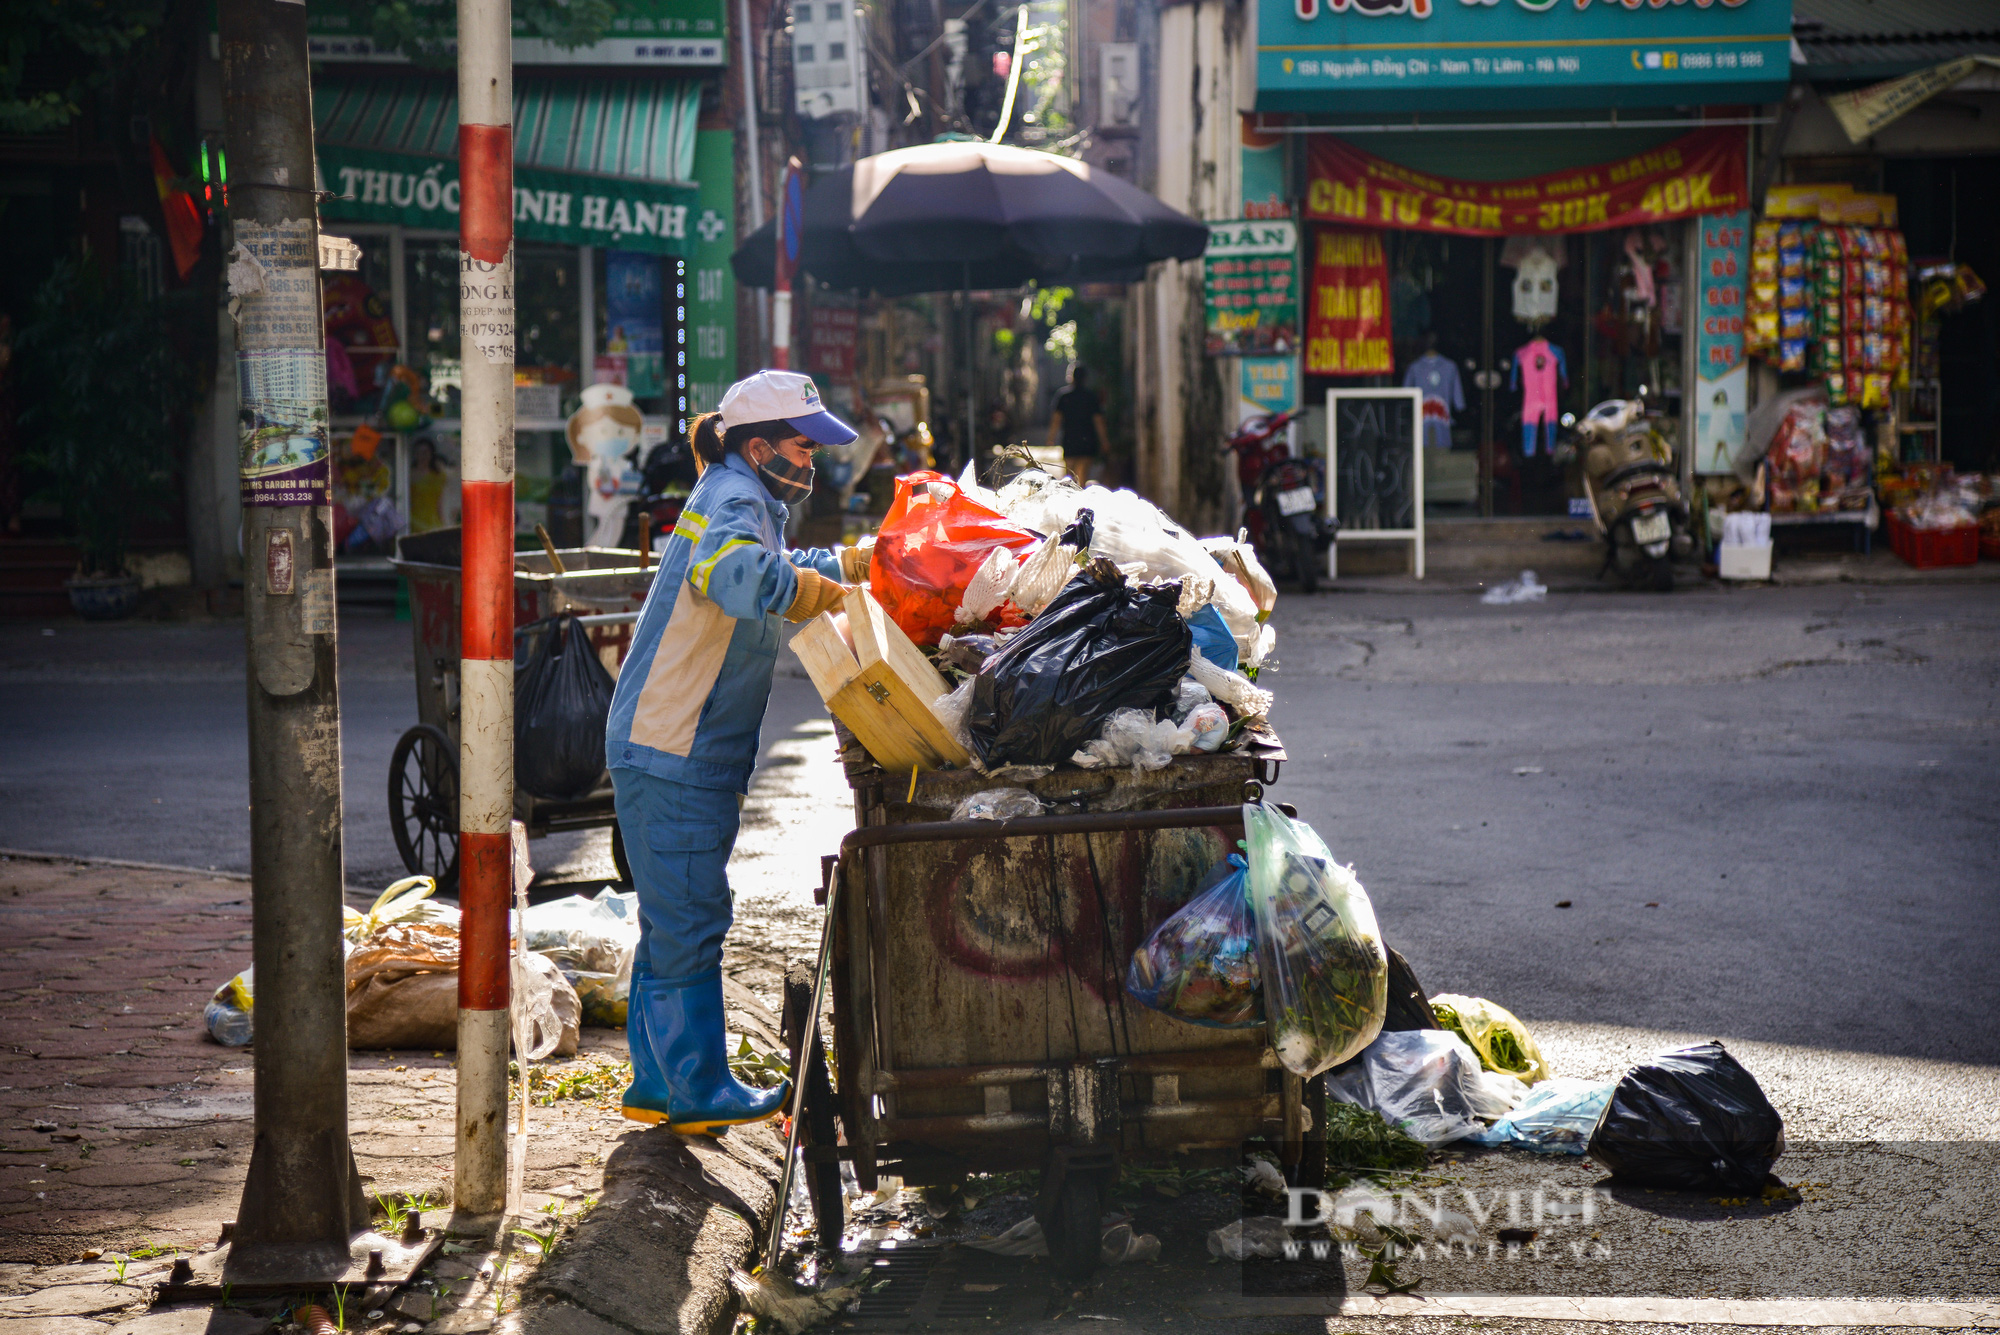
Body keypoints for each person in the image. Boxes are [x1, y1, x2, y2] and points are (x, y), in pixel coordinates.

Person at [605, 370, 874, 1135]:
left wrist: (851, 568)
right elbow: (736, 576)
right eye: (803, 443)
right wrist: (819, 593)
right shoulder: (734, 499)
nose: (813, 459)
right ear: (760, 447)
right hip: (675, 746)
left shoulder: (744, 493)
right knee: (692, 916)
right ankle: (698, 1087)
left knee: (670, 919)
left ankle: (655, 1081)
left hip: (671, 743)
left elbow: (780, 568)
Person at [1047, 364, 1111, 484]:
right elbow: (1098, 421)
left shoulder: (1064, 396)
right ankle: (1080, 500)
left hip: (1070, 440)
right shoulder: (1091, 397)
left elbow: (1056, 419)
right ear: (1085, 378)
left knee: (1069, 478)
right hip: (1087, 441)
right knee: (1082, 477)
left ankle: (1071, 500)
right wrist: (1104, 441)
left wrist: (1051, 438)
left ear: (1071, 377)